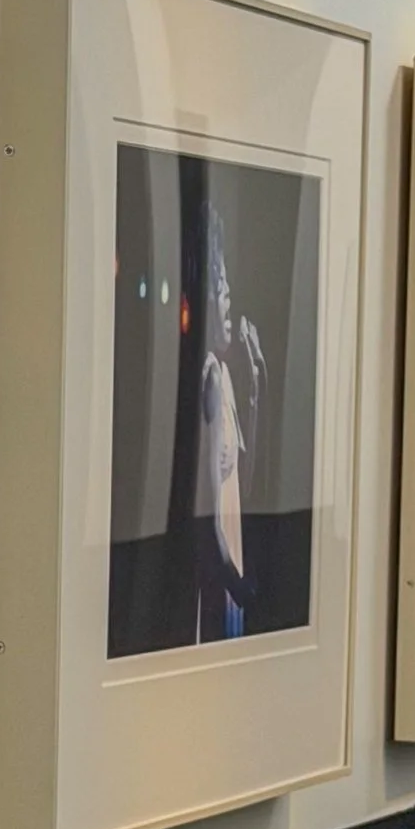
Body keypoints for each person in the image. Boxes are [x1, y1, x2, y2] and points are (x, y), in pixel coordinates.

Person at [191, 198, 265, 641]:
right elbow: (207, 522)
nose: (229, 300)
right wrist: (240, 589)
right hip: (221, 587)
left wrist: (257, 385)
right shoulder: (210, 381)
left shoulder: (226, 376)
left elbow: (244, 483)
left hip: (230, 576)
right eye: (221, 290)